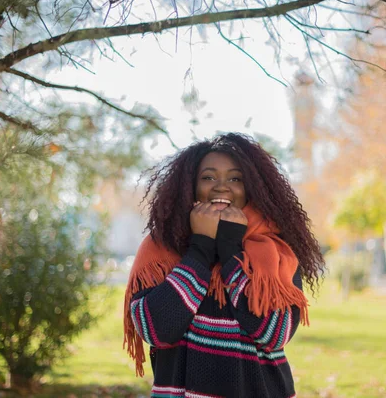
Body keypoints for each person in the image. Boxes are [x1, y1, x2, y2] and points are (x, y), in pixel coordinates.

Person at [123, 132, 325, 398]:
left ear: (252, 188)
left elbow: (275, 333)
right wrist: (201, 248)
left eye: (235, 178)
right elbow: (155, 330)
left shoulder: (276, 252)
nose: (221, 187)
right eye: (208, 177)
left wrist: (231, 251)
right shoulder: (161, 249)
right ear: (189, 186)